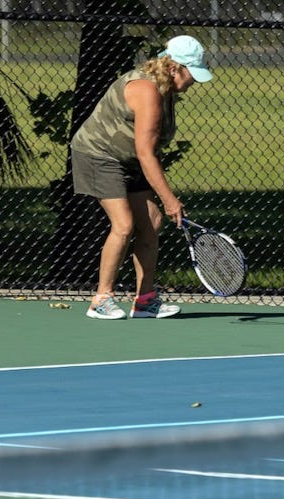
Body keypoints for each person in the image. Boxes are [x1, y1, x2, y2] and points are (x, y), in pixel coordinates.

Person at [70, 35, 214, 320]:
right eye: (191, 74)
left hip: (130, 157)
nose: (194, 81)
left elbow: (147, 150)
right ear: (174, 68)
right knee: (123, 225)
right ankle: (101, 299)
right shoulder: (146, 91)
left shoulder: (167, 90)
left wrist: (164, 201)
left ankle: (145, 300)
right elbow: (146, 153)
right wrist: (169, 199)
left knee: (153, 222)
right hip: (99, 154)